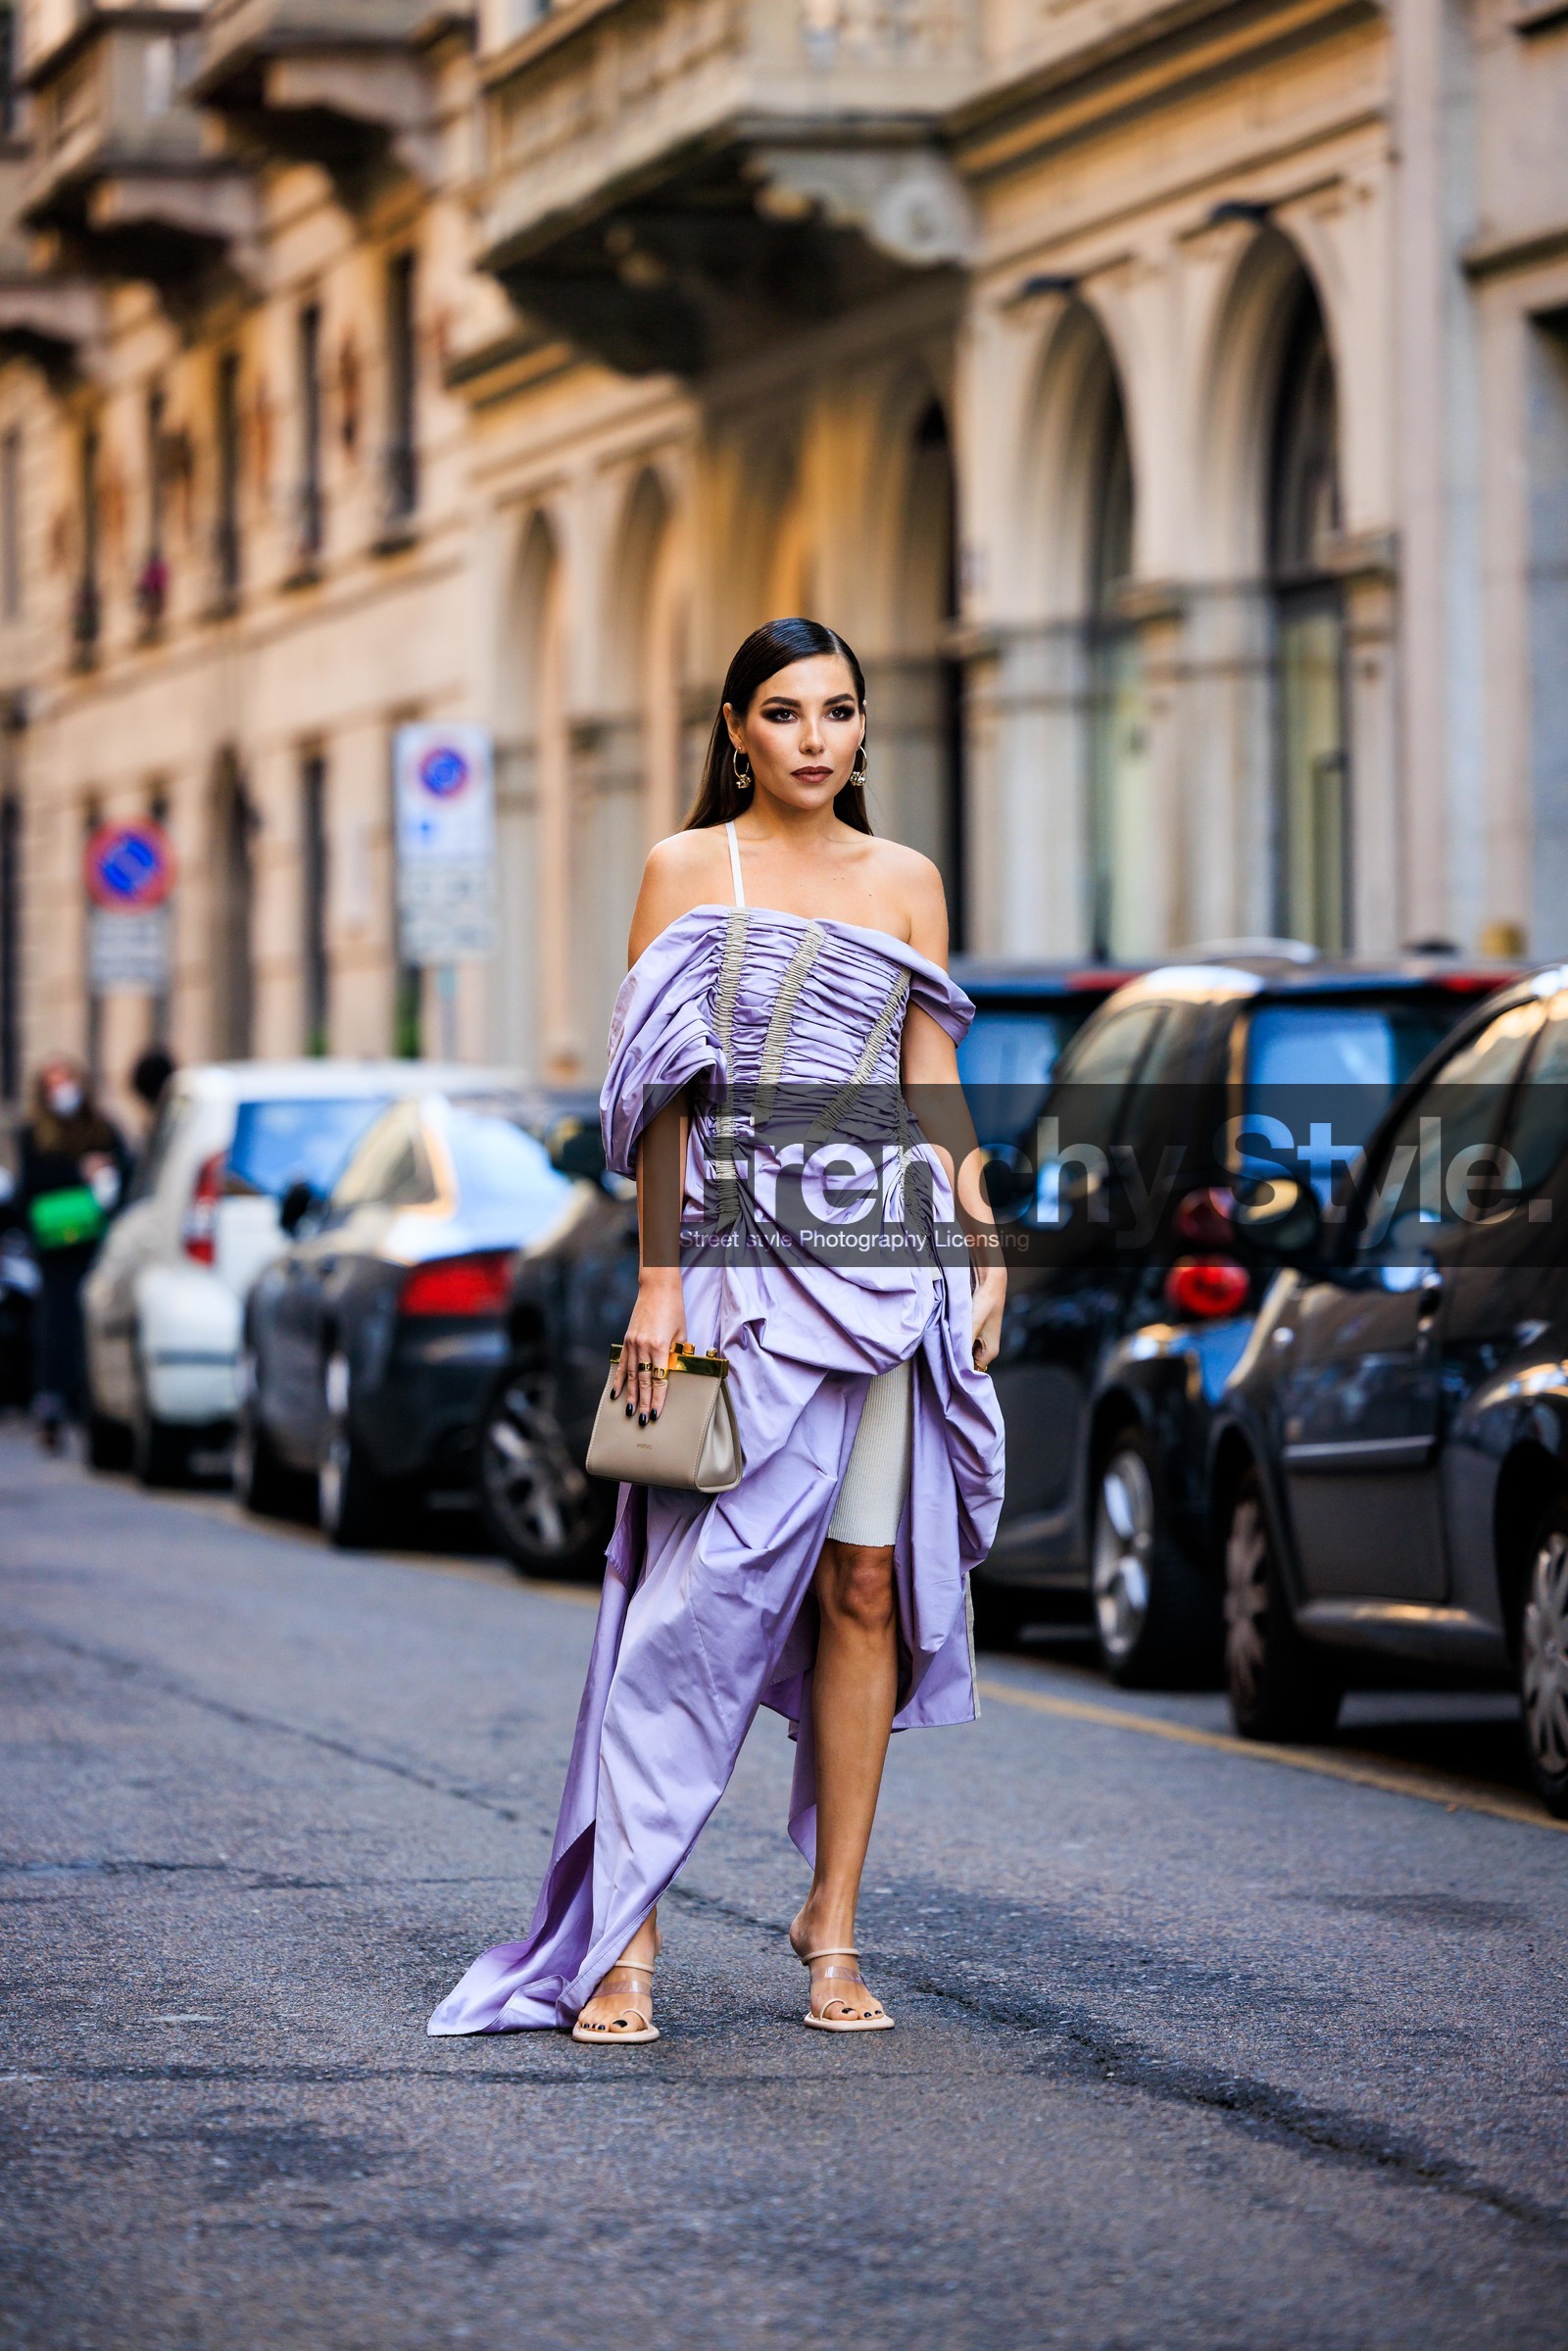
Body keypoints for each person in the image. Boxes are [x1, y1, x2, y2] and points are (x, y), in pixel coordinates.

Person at [429, 617, 1006, 2043]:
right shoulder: (687, 868)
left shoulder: (909, 880)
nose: (817, 738)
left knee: (864, 1584)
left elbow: (931, 1085)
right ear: (737, 728)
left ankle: (835, 1922)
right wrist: (659, 1281)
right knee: (687, 1605)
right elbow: (660, 1094)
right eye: (787, 712)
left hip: (884, 1258)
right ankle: (624, 1930)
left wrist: (980, 1233)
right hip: (731, 1267)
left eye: (840, 711)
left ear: (864, 729)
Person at [18, 1056, 128, 1449]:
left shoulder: (102, 1129)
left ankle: (87, 1401)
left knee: (91, 1318)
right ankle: (53, 1401)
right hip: (54, 1244)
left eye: (66, 1081)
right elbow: (30, 1186)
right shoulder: (34, 1135)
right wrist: (79, 1173)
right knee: (55, 1323)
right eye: (53, 1084)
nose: (62, 1092)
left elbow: (126, 1170)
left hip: (95, 1242)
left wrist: (105, 1171)